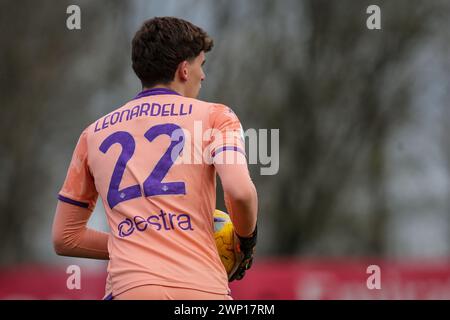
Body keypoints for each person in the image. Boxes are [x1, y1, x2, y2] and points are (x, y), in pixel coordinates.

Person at [52, 16, 258, 300]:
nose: (203, 75)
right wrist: (246, 241)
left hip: (131, 289)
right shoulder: (216, 117)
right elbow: (240, 192)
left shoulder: (93, 134)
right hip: (203, 288)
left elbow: (66, 237)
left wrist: (138, 239)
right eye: (201, 64)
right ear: (184, 70)